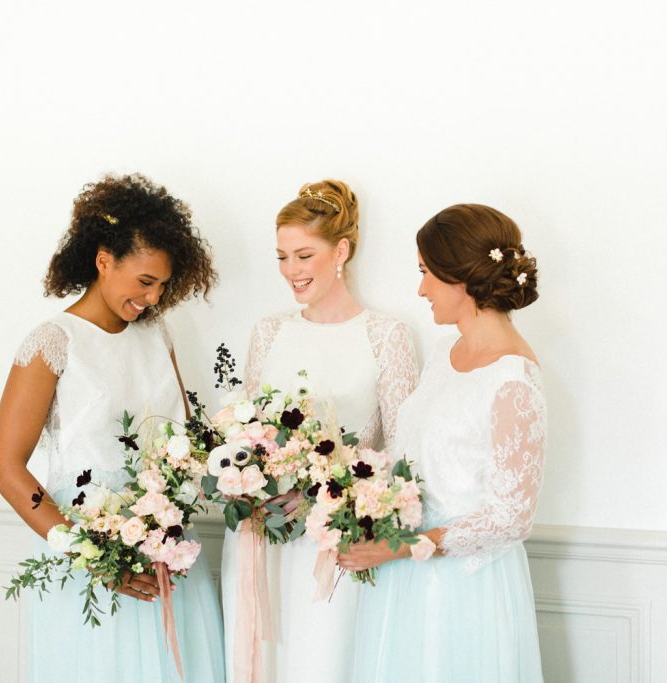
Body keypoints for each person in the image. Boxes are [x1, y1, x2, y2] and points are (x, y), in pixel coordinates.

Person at [0, 173, 225, 682]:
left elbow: (184, 439)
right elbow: (7, 469)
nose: (154, 297)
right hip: (92, 560)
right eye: (145, 281)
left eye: (164, 284)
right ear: (103, 261)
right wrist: (93, 557)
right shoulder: (52, 343)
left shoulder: (157, 333)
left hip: (169, 553)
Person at [220, 179, 419, 682]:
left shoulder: (386, 336)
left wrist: (320, 494)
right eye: (282, 257)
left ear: (342, 250)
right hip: (259, 537)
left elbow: (401, 453)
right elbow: (245, 433)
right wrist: (250, 481)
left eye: (304, 255)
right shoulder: (269, 332)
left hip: (334, 542)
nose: (291, 271)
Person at [339, 203, 546, 681]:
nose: (421, 289)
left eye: (426, 273)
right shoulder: (442, 353)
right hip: (409, 575)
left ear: (461, 279)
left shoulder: (513, 379)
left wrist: (398, 547)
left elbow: (511, 519)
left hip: (466, 587)